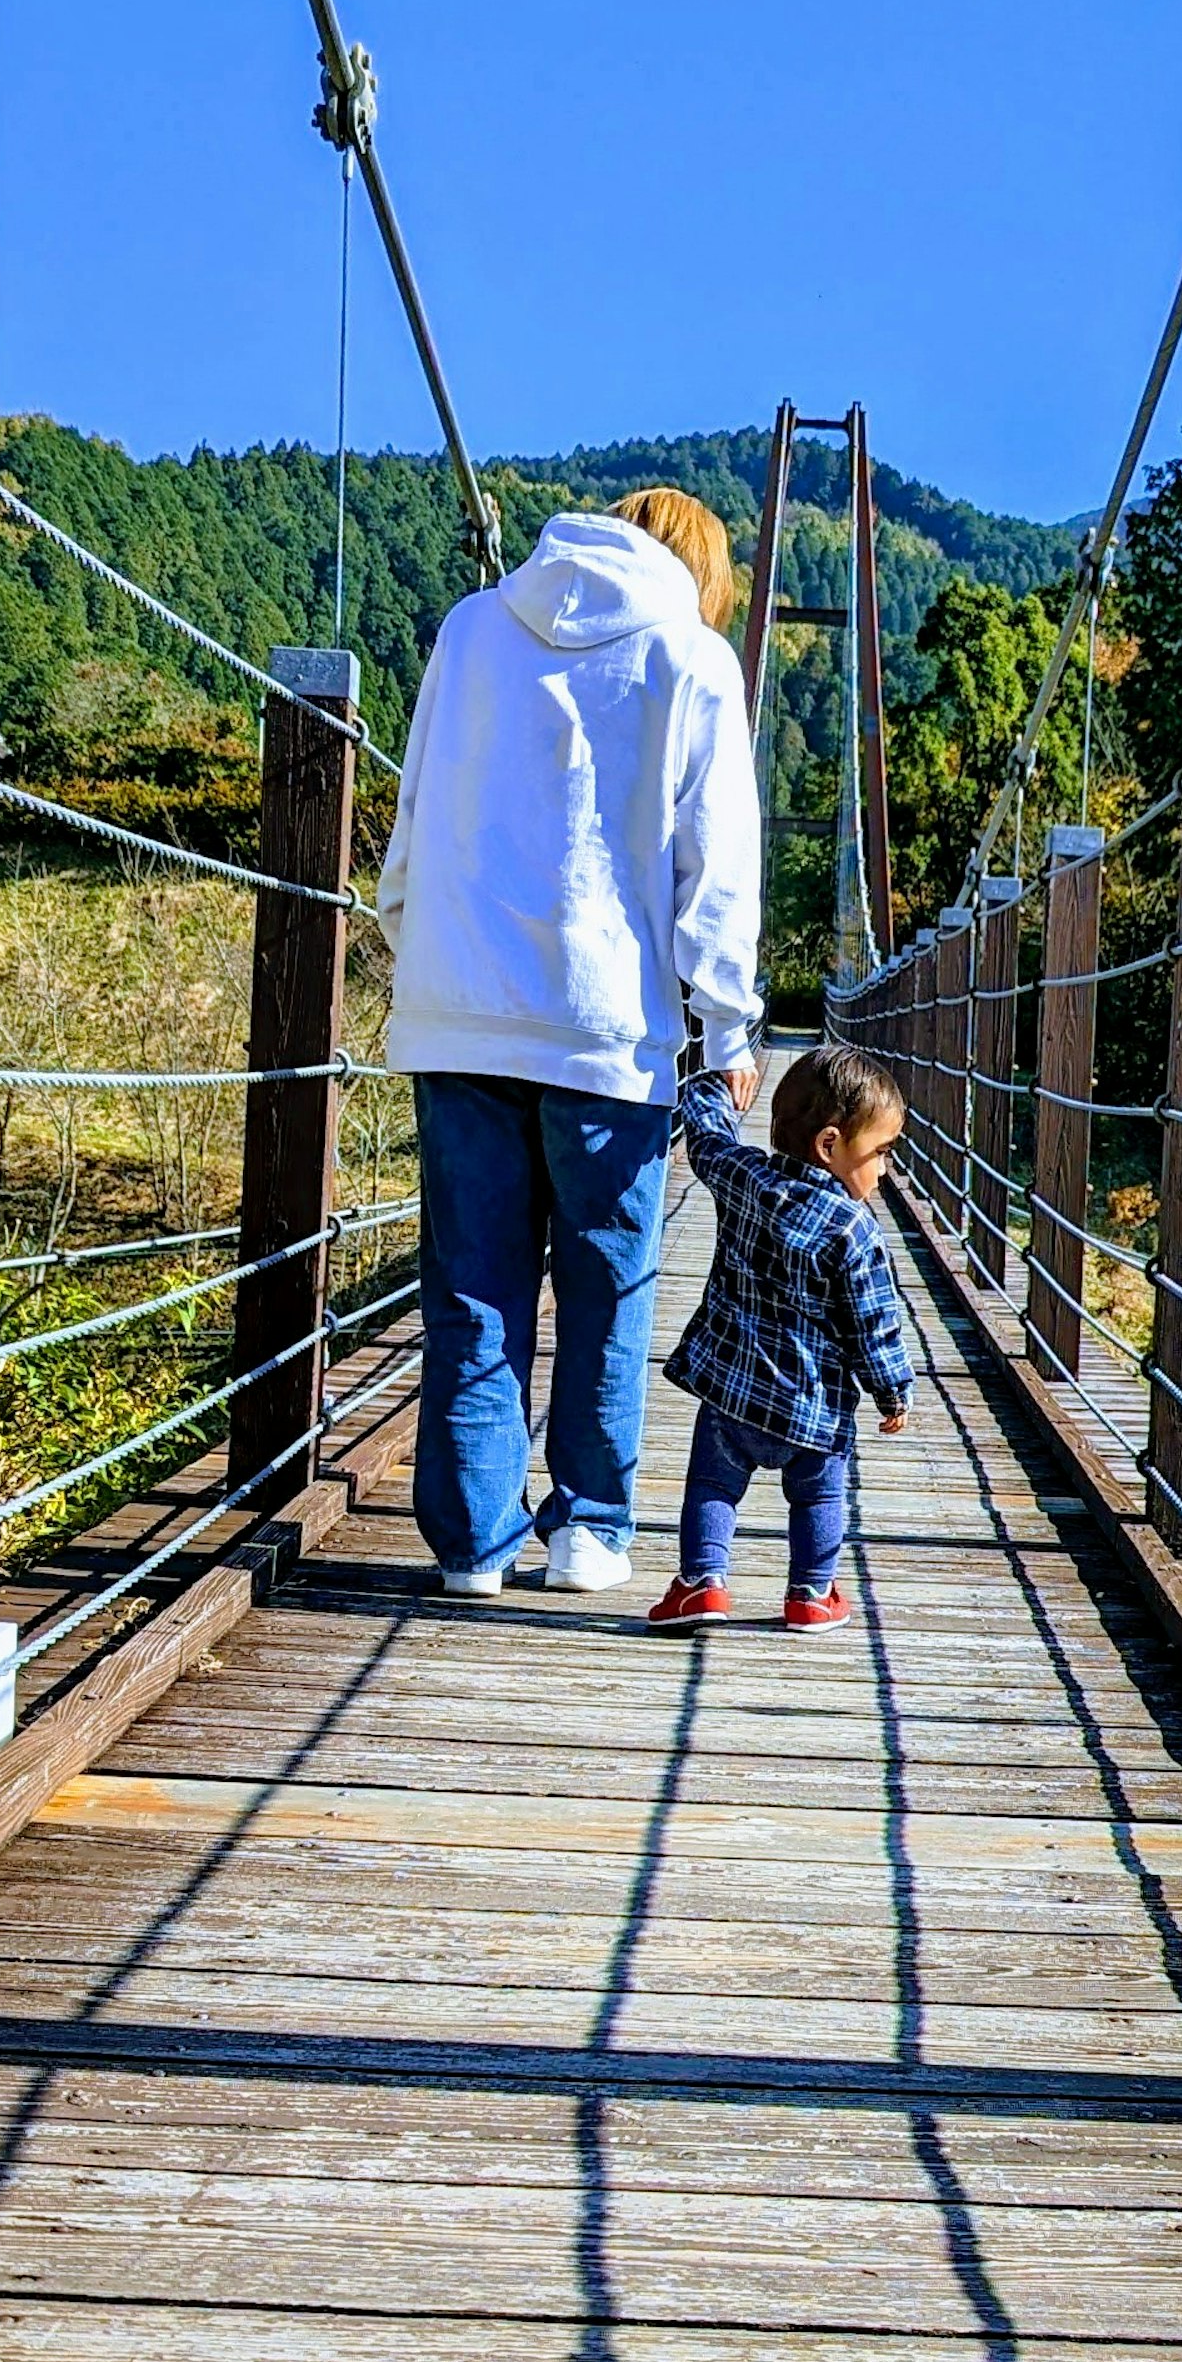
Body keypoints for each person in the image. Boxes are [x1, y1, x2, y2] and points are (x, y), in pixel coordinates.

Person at [377, 486, 761, 1595]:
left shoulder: (469, 626)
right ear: (700, 569)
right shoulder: (693, 658)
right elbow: (715, 868)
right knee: (606, 1287)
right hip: (606, 1030)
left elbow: (416, 811)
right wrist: (728, 1025)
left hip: (461, 1016)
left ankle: (474, 1545)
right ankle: (589, 1529)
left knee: (472, 1288)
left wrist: (423, 952)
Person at [645, 1041, 916, 1634]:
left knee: (713, 1486)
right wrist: (894, 1391)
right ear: (830, 1145)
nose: (885, 1169)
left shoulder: (745, 1177)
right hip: (814, 1410)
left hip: (731, 1395)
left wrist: (713, 1086)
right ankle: (813, 1595)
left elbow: (709, 1140)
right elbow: (874, 1324)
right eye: (881, 1153)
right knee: (820, 1499)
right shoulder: (856, 1229)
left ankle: (701, 1584)